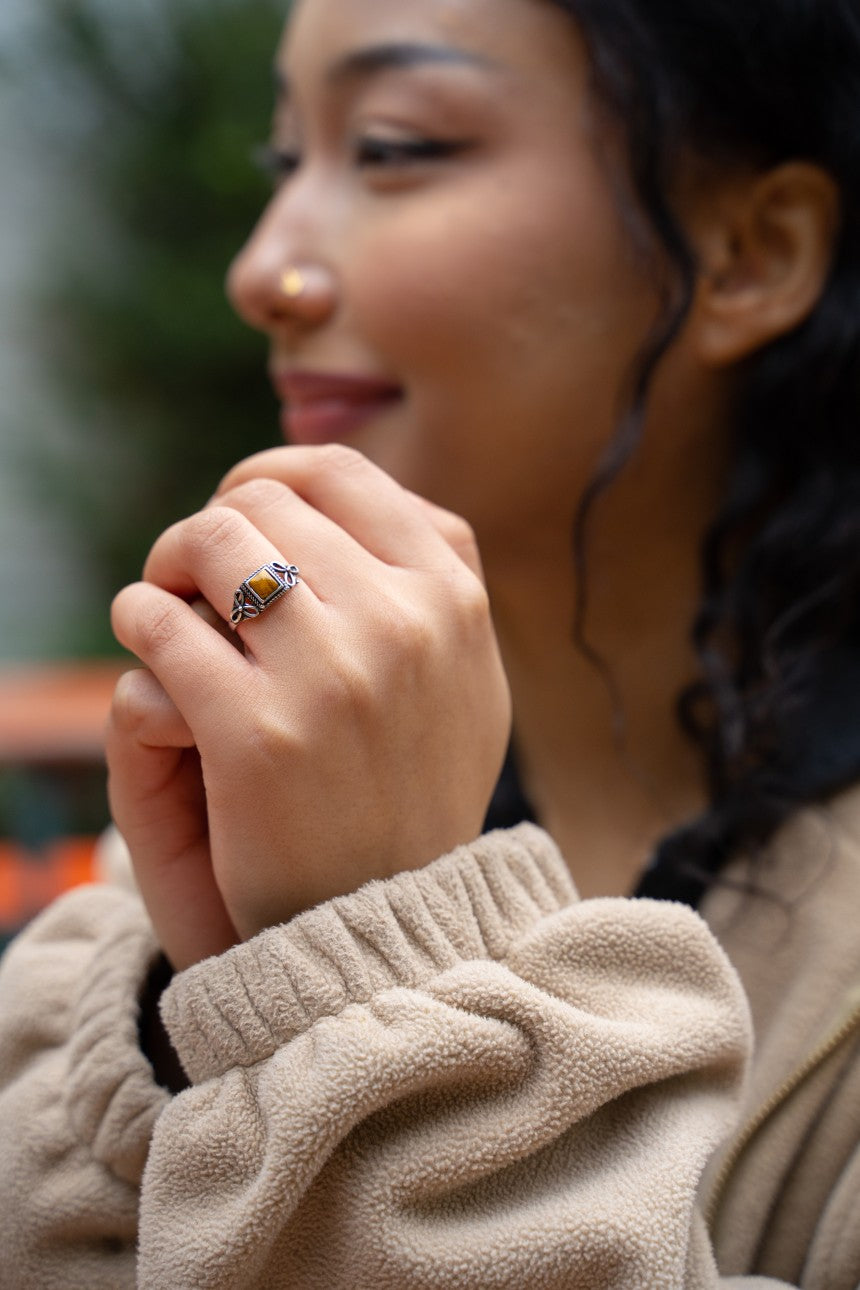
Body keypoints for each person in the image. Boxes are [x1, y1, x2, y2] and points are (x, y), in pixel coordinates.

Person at [1, 0, 859, 1284]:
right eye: (286, 161)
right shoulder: (272, 789)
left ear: (749, 252)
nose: (262, 270)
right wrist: (211, 1001)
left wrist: (378, 963)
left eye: (395, 147)